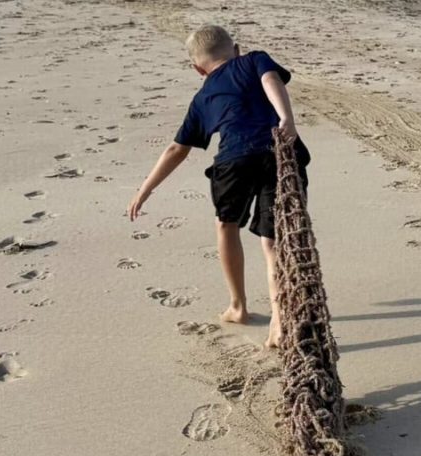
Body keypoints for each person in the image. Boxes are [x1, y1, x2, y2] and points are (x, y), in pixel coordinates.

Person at [127, 24, 310, 348]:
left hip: (233, 161)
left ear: (198, 69)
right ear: (236, 49)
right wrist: (286, 119)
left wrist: (145, 189)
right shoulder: (254, 60)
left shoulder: (202, 97)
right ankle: (280, 319)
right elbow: (271, 80)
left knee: (226, 226)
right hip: (280, 154)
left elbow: (176, 150)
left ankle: (238, 306)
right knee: (273, 242)